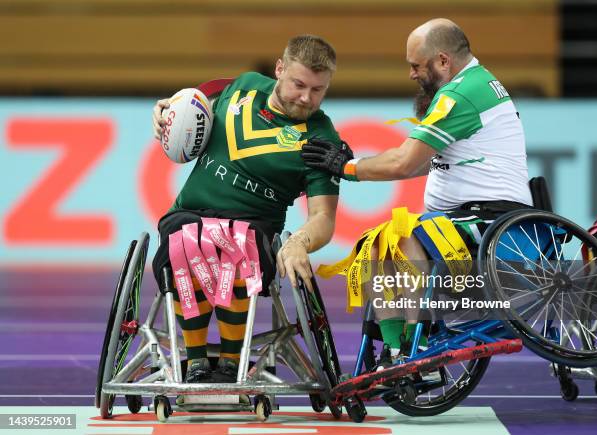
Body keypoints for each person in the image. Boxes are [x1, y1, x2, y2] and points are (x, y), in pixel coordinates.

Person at [301, 18, 533, 365]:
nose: (411, 74)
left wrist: (346, 167)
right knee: (375, 245)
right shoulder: (472, 85)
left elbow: (404, 163)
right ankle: (397, 347)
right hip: (466, 219)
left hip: (495, 223)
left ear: (443, 61)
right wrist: (356, 163)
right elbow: (421, 161)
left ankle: (415, 343)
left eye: (415, 65)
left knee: (406, 237)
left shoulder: (460, 95)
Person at [151, 34, 344, 386]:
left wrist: (300, 241)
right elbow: (187, 106)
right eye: (299, 84)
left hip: (253, 230)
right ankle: (194, 361)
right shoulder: (244, 86)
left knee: (234, 248)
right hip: (188, 215)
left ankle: (230, 362)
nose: (306, 98)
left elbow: (324, 217)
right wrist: (165, 112)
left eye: (318, 90)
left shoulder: (322, 138)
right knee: (189, 241)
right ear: (279, 69)